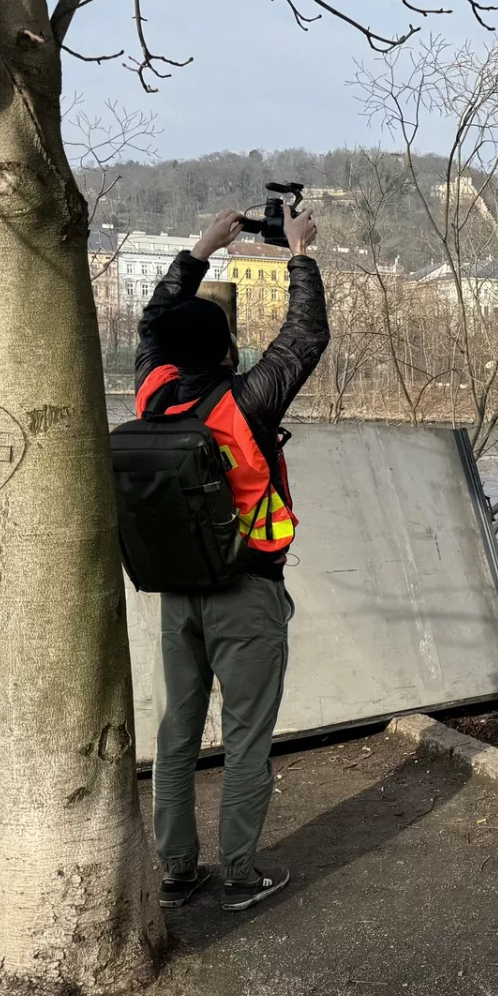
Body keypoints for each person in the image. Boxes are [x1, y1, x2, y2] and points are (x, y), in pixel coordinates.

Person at [135, 204, 327, 912]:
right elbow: (305, 337)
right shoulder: (243, 403)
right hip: (245, 592)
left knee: (177, 734)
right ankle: (241, 873)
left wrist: (198, 250)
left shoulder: (152, 395)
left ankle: (178, 871)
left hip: (176, 592)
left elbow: (154, 323)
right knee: (246, 738)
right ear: (225, 351)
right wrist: (298, 253)